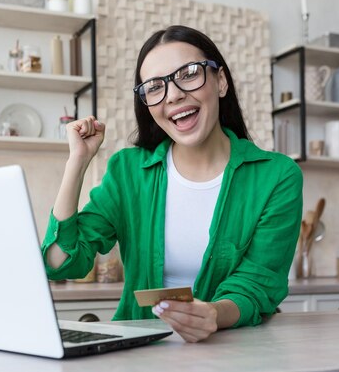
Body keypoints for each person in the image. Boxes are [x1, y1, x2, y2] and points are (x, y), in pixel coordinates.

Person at [41, 25, 303, 343]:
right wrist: (77, 163)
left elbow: (258, 284)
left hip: (234, 351)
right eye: (154, 87)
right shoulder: (128, 171)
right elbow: (60, 263)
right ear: (147, 105)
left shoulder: (277, 176)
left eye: (189, 73)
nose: (175, 95)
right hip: (141, 354)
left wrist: (213, 315)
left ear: (220, 81)